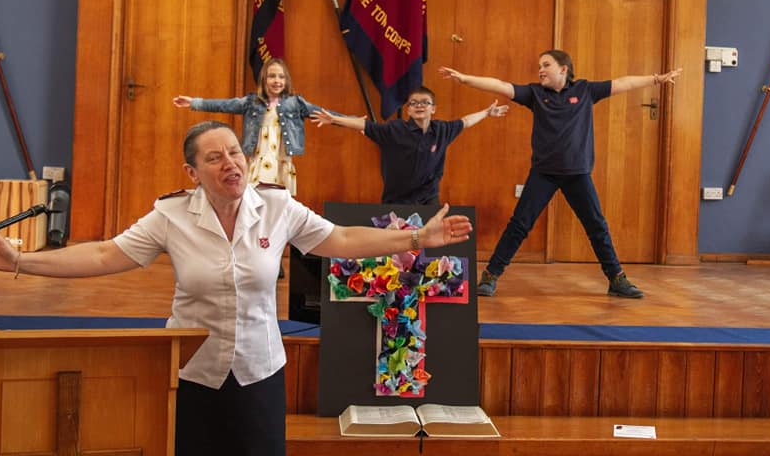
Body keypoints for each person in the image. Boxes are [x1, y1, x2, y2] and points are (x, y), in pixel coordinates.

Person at [0, 120, 472, 456]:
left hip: (258, 371)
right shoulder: (171, 215)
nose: (230, 163)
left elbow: (342, 239)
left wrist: (416, 238)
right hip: (193, 373)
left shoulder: (277, 207)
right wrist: (20, 262)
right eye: (214, 157)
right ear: (192, 173)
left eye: (235, 153)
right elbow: (104, 255)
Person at [439, 50, 681, 299]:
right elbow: (500, 86)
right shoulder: (534, 94)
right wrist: (465, 79)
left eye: (546, 65)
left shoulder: (585, 90)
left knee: (597, 226)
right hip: (543, 173)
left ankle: (617, 279)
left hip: (578, 174)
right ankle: (490, 276)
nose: (540, 70)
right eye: (539, 66)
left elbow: (623, 83)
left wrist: (656, 79)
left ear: (563, 69)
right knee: (519, 224)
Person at [311, 86, 509, 205]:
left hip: (428, 198)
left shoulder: (442, 130)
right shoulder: (394, 130)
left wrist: (487, 113)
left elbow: (465, 121)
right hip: (396, 199)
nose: (419, 106)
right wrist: (334, 119)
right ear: (408, 110)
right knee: (394, 249)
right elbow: (364, 125)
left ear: (433, 109)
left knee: (430, 246)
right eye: (414, 103)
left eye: (425, 102)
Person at [173, 58, 332, 196]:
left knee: (279, 199)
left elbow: (325, 114)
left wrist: (345, 120)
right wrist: (194, 103)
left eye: (281, 77)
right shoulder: (252, 102)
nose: (277, 80)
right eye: (272, 76)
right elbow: (224, 105)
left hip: (281, 159)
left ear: (286, 80)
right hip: (260, 157)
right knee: (258, 193)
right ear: (264, 79)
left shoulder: (295, 103)